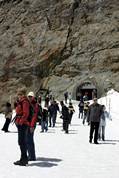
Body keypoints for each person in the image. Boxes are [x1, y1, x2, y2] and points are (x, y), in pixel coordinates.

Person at [14, 87, 30, 166]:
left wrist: (20, 122)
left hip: (23, 124)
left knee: (22, 142)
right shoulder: (21, 101)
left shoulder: (25, 101)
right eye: (18, 94)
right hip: (20, 123)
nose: (18, 95)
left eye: (20, 94)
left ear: (23, 94)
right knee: (21, 142)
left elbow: (26, 113)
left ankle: (24, 159)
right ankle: (23, 158)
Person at [27, 92, 39, 161]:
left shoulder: (35, 105)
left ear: (33, 97)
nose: (29, 97)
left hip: (32, 125)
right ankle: (30, 155)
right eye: (29, 96)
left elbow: (34, 116)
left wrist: (31, 126)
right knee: (28, 140)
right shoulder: (28, 104)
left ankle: (32, 156)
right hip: (28, 124)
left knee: (30, 140)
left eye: (31, 96)